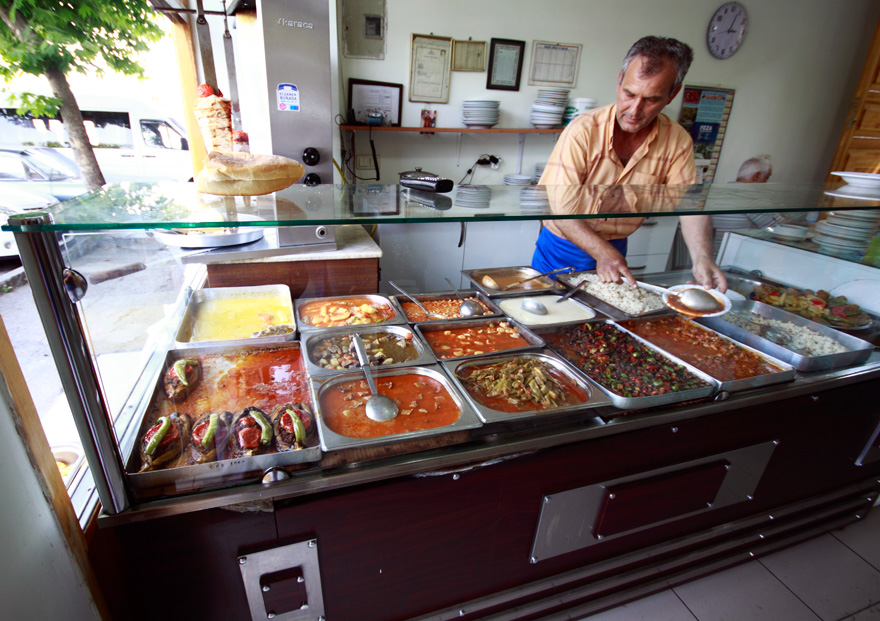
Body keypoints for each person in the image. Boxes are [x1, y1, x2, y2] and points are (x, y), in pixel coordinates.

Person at [533, 36, 727, 292]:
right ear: (619, 81)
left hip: (616, 244)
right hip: (561, 245)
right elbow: (562, 211)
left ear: (673, 94)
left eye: (651, 99)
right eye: (630, 94)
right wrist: (602, 252)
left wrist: (702, 258)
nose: (635, 110)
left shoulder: (678, 141)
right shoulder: (583, 130)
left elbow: (690, 204)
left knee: (602, 324)